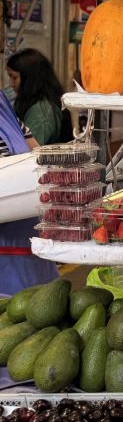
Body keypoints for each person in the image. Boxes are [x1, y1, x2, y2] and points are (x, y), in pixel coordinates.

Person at [0, 91, 59, 291]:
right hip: (7, 257)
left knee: (44, 313)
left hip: (30, 245)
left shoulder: (3, 107)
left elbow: (38, 154)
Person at [6, 49, 70, 145]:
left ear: (29, 78)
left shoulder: (41, 111)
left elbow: (26, 150)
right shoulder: (27, 101)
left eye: (14, 77)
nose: (10, 84)